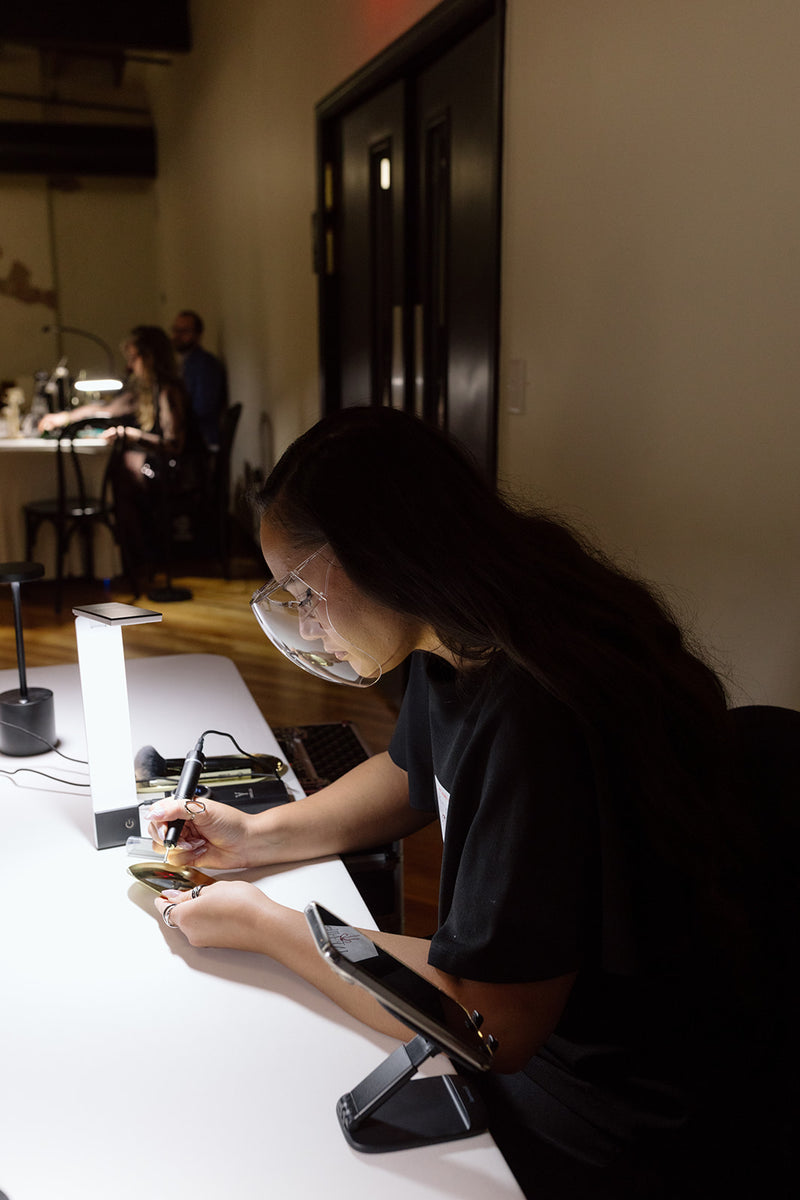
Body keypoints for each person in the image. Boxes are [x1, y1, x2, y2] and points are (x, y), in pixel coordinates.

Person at [146, 406, 794, 1198]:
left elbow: (492, 1022)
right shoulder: (455, 631)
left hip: (616, 1101)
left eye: (306, 592)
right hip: (563, 1030)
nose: (307, 623)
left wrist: (268, 927)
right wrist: (258, 835)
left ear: (382, 554)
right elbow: (411, 772)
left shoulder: (536, 710)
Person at [41, 324, 196, 590]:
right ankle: (129, 556)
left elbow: (174, 445)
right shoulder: (144, 388)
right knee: (119, 470)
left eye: (133, 358)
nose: (130, 365)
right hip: (155, 463)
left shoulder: (168, 390)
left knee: (120, 475)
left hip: (174, 470)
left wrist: (130, 435)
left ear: (150, 357)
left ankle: (135, 557)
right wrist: (64, 417)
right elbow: (106, 409)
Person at [170, 309, 227, 449]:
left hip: (201, 440)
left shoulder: (205, 364)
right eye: (176, 330)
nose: (177, 335)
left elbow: (203, 408)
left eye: (184, 331)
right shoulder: (181, 363)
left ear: (197, 334)